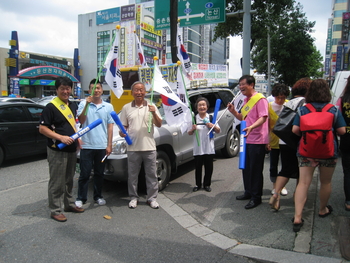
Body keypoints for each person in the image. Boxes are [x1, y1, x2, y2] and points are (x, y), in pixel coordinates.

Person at [291, 79, 346, 232]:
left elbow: (295, 130)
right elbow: (342, 131)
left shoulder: (303, 109)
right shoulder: (333, 110)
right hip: (328, 152)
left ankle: (297, 217)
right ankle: (322, 210)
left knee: (303, 183)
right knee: (326, 182)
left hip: (306, 152)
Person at [39, 76, 84, 222]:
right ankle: (55, 209)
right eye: (62, 88)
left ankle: (69, 204)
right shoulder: (51, 107)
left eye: (68, 88)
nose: (65, 91)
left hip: (71, 149)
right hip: (56, 149)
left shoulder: (72, 105)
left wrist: (78, 138)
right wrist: (60, 137)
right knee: (57, 181)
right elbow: (42, 128)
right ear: (57, 90)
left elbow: (75, 124)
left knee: (69, 179)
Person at [269, 77, 311, 211]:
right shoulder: (307, 104)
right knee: (302, 172)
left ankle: (276, 194)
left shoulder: (289, 103)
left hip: (284, 141)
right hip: (300, 142)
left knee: (285, 169)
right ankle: (297, 197)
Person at [119, 81, 162, 209]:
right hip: (133, 147)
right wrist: (122, 133)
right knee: (132, 175)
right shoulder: (126, 107)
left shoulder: (151, 105)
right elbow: (124, 127)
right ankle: (133, 197)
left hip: (149, 147)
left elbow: (159, 124)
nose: (139, 92)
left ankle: (152, 198)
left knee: (151, 174)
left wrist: (154, 112)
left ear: (145, 92)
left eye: (141, 90)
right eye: (136, 90)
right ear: (132, 93)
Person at [228, 75, 269, 209]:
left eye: (243, 84)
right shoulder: (246, 100)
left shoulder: (260, 99)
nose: (240, 87)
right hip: (246, 139)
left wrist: (252, 127)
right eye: (239, 85)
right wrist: (233, 111)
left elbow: (263, 118)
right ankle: (248, 192)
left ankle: (256, 197)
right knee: (246, 168)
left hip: (257, 139)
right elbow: (241, 117)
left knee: (255, 170)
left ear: (251, 84)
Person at [75, 79, 114, 208]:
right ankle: (81, 198)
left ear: (102, 90)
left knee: (99, 173)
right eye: (93, 88)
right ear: (88, 90)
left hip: (101, 146)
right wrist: (86, 104)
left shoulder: (108, 107)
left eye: (98, 88)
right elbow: (81, 120)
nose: (95, 90)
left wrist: (109, 145)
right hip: (86, 145)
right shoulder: (82, 103)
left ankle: (98, 196)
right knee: (85, 174)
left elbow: (110, 127)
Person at [188, 97, 220, 192]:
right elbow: (189, 133)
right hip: (198, 148)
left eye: (204, 105)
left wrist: (213, 126)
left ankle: (207, 184)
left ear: (207, 106)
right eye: (200, 105)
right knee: (198, 167)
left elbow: (218, 130)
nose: (202, 107)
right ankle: (198, 184)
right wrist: (192, 129)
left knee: (208, 167)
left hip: (209, 148)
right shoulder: (194, 119)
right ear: (196, 107)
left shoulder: (211, 118)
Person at [267, 84, 290, 196]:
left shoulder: (289, 105)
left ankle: (282, 185)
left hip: (287, 141)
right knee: (273, 164)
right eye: (278, 97)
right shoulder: (268, 106)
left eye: (283, 97)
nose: (280, 100)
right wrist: (267, 141)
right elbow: (266, 125)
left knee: (285, 164)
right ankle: (275, 185)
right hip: (273, 141)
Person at [336, 76, 350, 211]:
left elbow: (337, 121)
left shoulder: (342, 100)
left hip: (347, 139)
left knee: (348, 171)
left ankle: (348, 200)